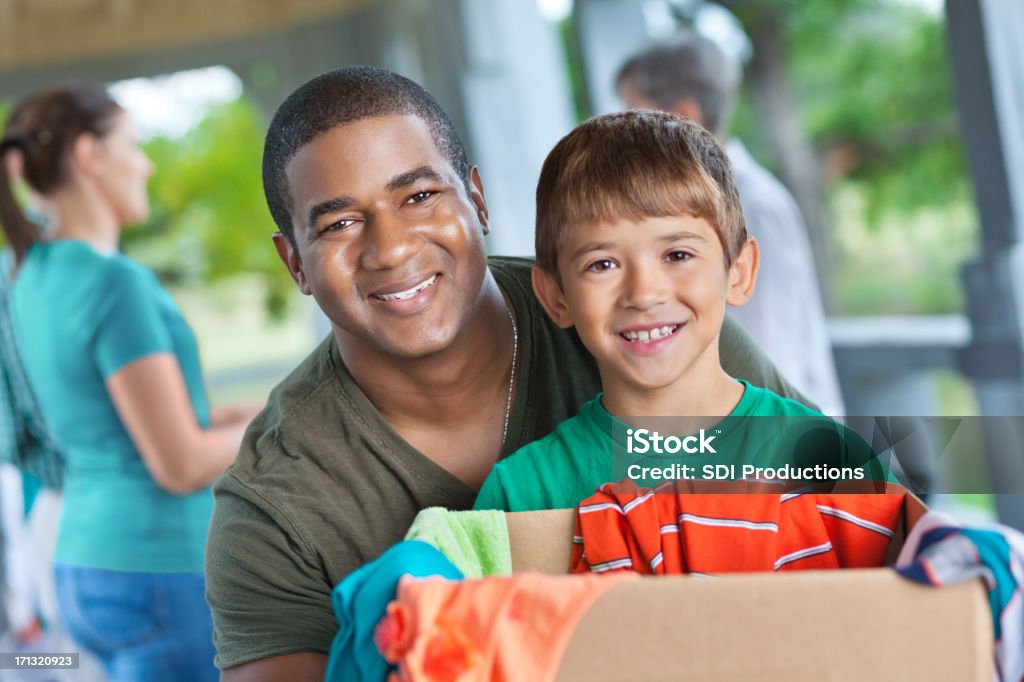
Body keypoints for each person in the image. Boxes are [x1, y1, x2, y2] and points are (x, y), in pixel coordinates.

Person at [204, 66, 810, 681]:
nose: (390, 248)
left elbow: (856, 531)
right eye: (339, 224)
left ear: (478, 200)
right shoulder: (274, 505)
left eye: (419, 196)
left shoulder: (649, 331)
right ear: (295, 265)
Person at [473, 111, 882, 513]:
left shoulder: (832, 463)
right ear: (556, 297)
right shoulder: (521, 494)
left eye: (678, 254)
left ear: (738, 272)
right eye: (602, 264)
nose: (644, 293)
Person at [0, 85, 262, 682]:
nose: (145, 164)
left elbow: (106, 421)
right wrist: (271, 425)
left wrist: (232, 415)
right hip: (159, 570)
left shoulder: (27, 276)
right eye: (133, 145)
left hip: (82, 567)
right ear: (90, 156)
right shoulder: (115, 283)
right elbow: (180, 464)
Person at [616, 35, 845, 417]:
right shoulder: (695, 204)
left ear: (685, 114)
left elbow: (769, 353)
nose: (623, 137)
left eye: (633, 115)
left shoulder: (752, 205)